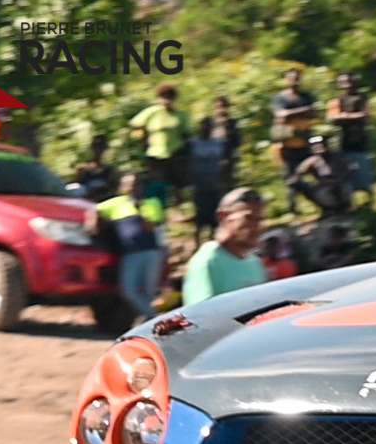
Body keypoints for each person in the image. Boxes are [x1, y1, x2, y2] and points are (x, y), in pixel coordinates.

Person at [96, 172, 167, 321]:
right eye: (128, 185)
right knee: (129, 291)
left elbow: (152, 227)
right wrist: (93, 222)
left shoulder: (152, 203)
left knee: (150, 291)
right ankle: (154, 317)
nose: (132, 188)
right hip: (130, 254)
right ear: (122, 187)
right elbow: (94, 209)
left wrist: (140, 210)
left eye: (135, 184)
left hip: (151, 252)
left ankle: (150, 320)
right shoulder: (115, 204)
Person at [183, 188, 268, 305]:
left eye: (259, 220)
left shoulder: (255, 264)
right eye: (248, 218)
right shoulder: (209, 262)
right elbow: (202, 317)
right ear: (223, 217)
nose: (256, 227)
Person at [129, 83, 191, 197]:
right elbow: (135, 124)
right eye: (164, 97)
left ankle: (178, 206)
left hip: (175, 153)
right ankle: (158, 204)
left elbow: (189, 132)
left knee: (177, 182)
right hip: (156, 153)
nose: (167, 100)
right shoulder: (152, 112)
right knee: (157, 182)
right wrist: (142, 140)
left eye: (170, 97)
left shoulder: (181, 115)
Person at [269, 68, 317, 212]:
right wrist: (303, 111)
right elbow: (281, 115)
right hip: (287, 144)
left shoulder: (307, 96)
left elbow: (314, 113)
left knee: (315, 172)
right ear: (286, 80)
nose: (295, 82)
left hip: (306, 142)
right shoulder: (280, 98)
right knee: (290, 177)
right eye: (291, 79)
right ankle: (293, 208)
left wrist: (291, 115)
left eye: (297, 79)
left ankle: (322, 201)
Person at [328, 71, 373, 206]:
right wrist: (354, 117)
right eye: (343, 82)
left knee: (364, 173)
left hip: (360, 142)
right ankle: (349, 204)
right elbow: (333, 118)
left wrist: (345, 117)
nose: (347, 85)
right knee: (345, 175)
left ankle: (370, 202)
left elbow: (366, 116)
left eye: (348, 81)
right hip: (344, 142)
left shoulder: (363, 99)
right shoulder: (337, 101)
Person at [285, 134, 349, 216]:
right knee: (297, 184)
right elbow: (296, 178)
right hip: (323, 191)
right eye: (315, 145)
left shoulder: (338, 157)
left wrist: (334, 180)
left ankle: (343, 207)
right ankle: (327, 208)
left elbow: (347, 172)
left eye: (320, 145)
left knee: (340, 187)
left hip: (340, 188)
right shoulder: (311, 161)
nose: (318, 147)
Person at [188, 118, 228, 241]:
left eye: (209, 127)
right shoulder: (194, 143)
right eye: (203, 127)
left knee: (214, 215)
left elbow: (226, 161)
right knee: (200, 215)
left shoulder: (219, 144)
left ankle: (213, 241)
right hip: (199, 184)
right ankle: (197, 242)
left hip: (214, 183)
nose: (206, 129)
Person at [206, 95, 242, 183]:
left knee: (227, 184)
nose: (220, 110)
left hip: (228, 158)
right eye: (218, 107)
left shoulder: (232, 123)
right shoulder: (209, 122)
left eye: (223, 107)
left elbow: (237, 141)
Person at [73, 136, 117, 202]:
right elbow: (78, 187)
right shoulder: (83, 168)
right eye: (96, 147)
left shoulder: (110, 171)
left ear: (105, 149)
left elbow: (113, 188)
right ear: (92, 149)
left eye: (101, 148)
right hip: (87, 202)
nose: (99, 150)